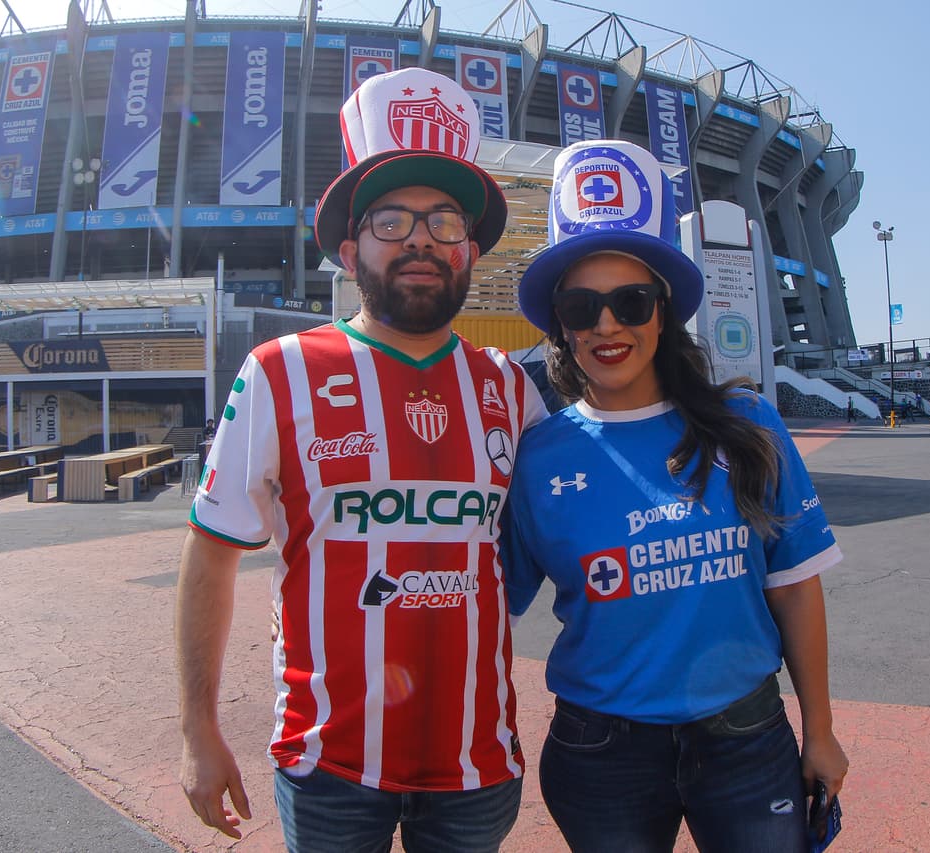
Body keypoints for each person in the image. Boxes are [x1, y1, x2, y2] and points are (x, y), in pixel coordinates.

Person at [175, 68, 546, 850]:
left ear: (471, 253)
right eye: (391, 219)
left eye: (446, 221)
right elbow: (210, 555)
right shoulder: (277, 371)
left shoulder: (513, 390)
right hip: (329, 765)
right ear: (349, 249)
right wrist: (198, 730)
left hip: (478, 766)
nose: (421, 237)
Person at [500, 139, 849, 852]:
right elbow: (481, 602)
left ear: (664, 312)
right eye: (582, 305)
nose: (607, 325)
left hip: (748, 740)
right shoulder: (537, 456)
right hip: (602, 754)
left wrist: (821, 731)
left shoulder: (748, 425)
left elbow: (793, 589)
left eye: (631, 301)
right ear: (561, 323)